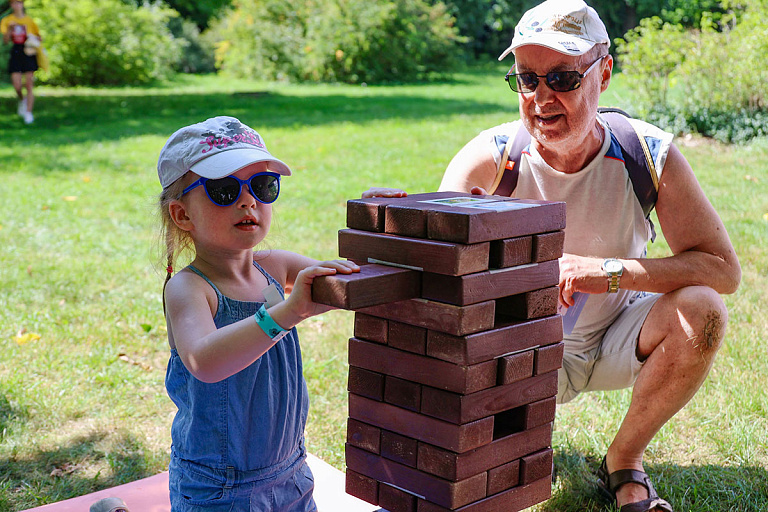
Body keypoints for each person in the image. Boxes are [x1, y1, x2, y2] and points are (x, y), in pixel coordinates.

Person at [365, 1, 741, 511]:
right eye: (527, 78)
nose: (541, 97)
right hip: (517, 349)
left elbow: (721, 269)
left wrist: (605, 272)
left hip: (616, 334)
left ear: (603, 74)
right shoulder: (490, 161)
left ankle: (625, 460)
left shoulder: (646, 155)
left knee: (704, 311)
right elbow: (435, 286)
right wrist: (402, 222)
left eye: (563, 77)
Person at [157, 115, 359, 511]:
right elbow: (204, 360)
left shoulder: (276, 266)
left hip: (291, 472)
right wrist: (284, 314)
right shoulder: (190, 288)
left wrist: (382, 215)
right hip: (218, 487)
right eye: (224, 189)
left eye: (263, 186)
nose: (248, 200)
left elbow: (354, 279)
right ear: (182, 215)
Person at [0, 0, 41, 124]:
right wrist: (10, 30)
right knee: (17, 85)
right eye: (14, 3)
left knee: (29, 84)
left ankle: (28, 113)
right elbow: (5, 41)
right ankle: (22, 100)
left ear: (22, 4)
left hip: (28, 52)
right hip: (16, 52)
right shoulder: (7, 20)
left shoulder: (29, 21)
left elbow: (39, 37)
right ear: (11, 5)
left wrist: (32, 38)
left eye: (19, 2)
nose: (16, 5)